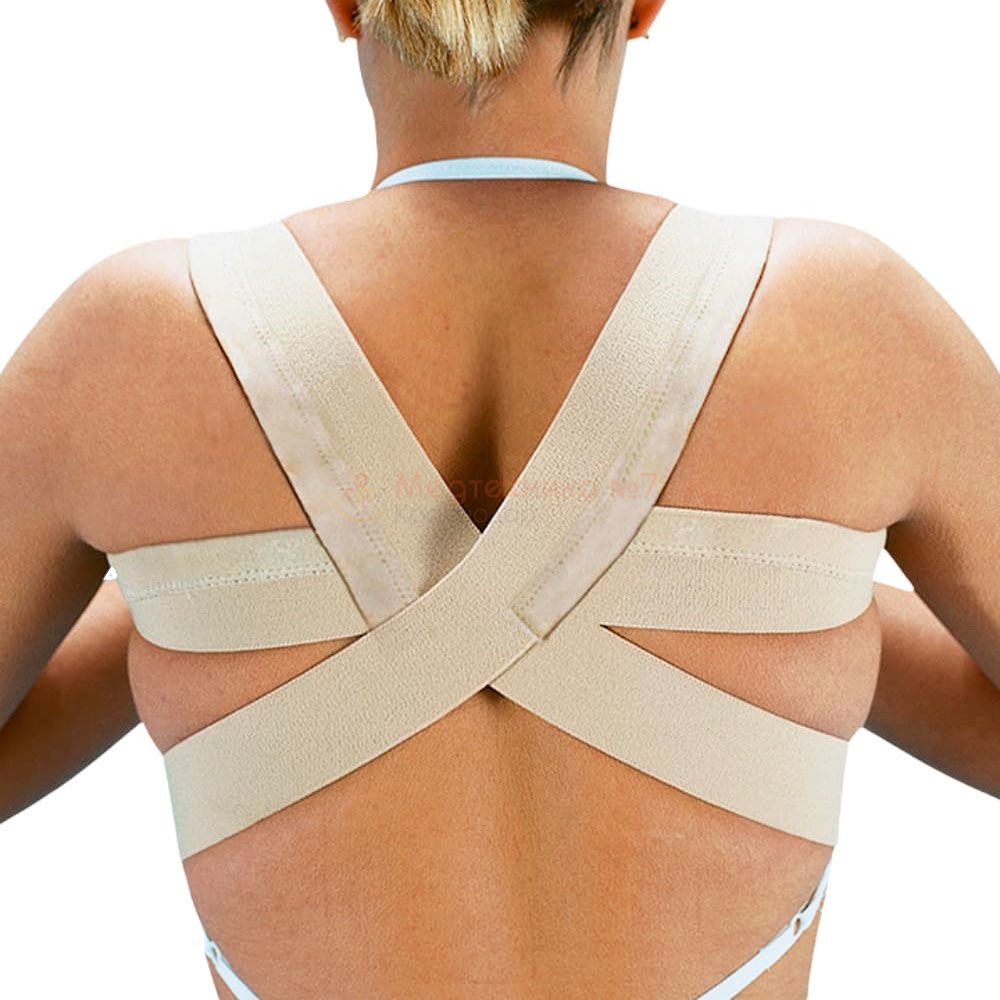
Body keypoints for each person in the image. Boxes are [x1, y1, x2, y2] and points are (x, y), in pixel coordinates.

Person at [1, 1, 998, 997]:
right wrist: (788, 609)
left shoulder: (131, 344)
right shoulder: (844, 323)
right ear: (643, 7)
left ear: (345, 7)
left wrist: (202, 603)